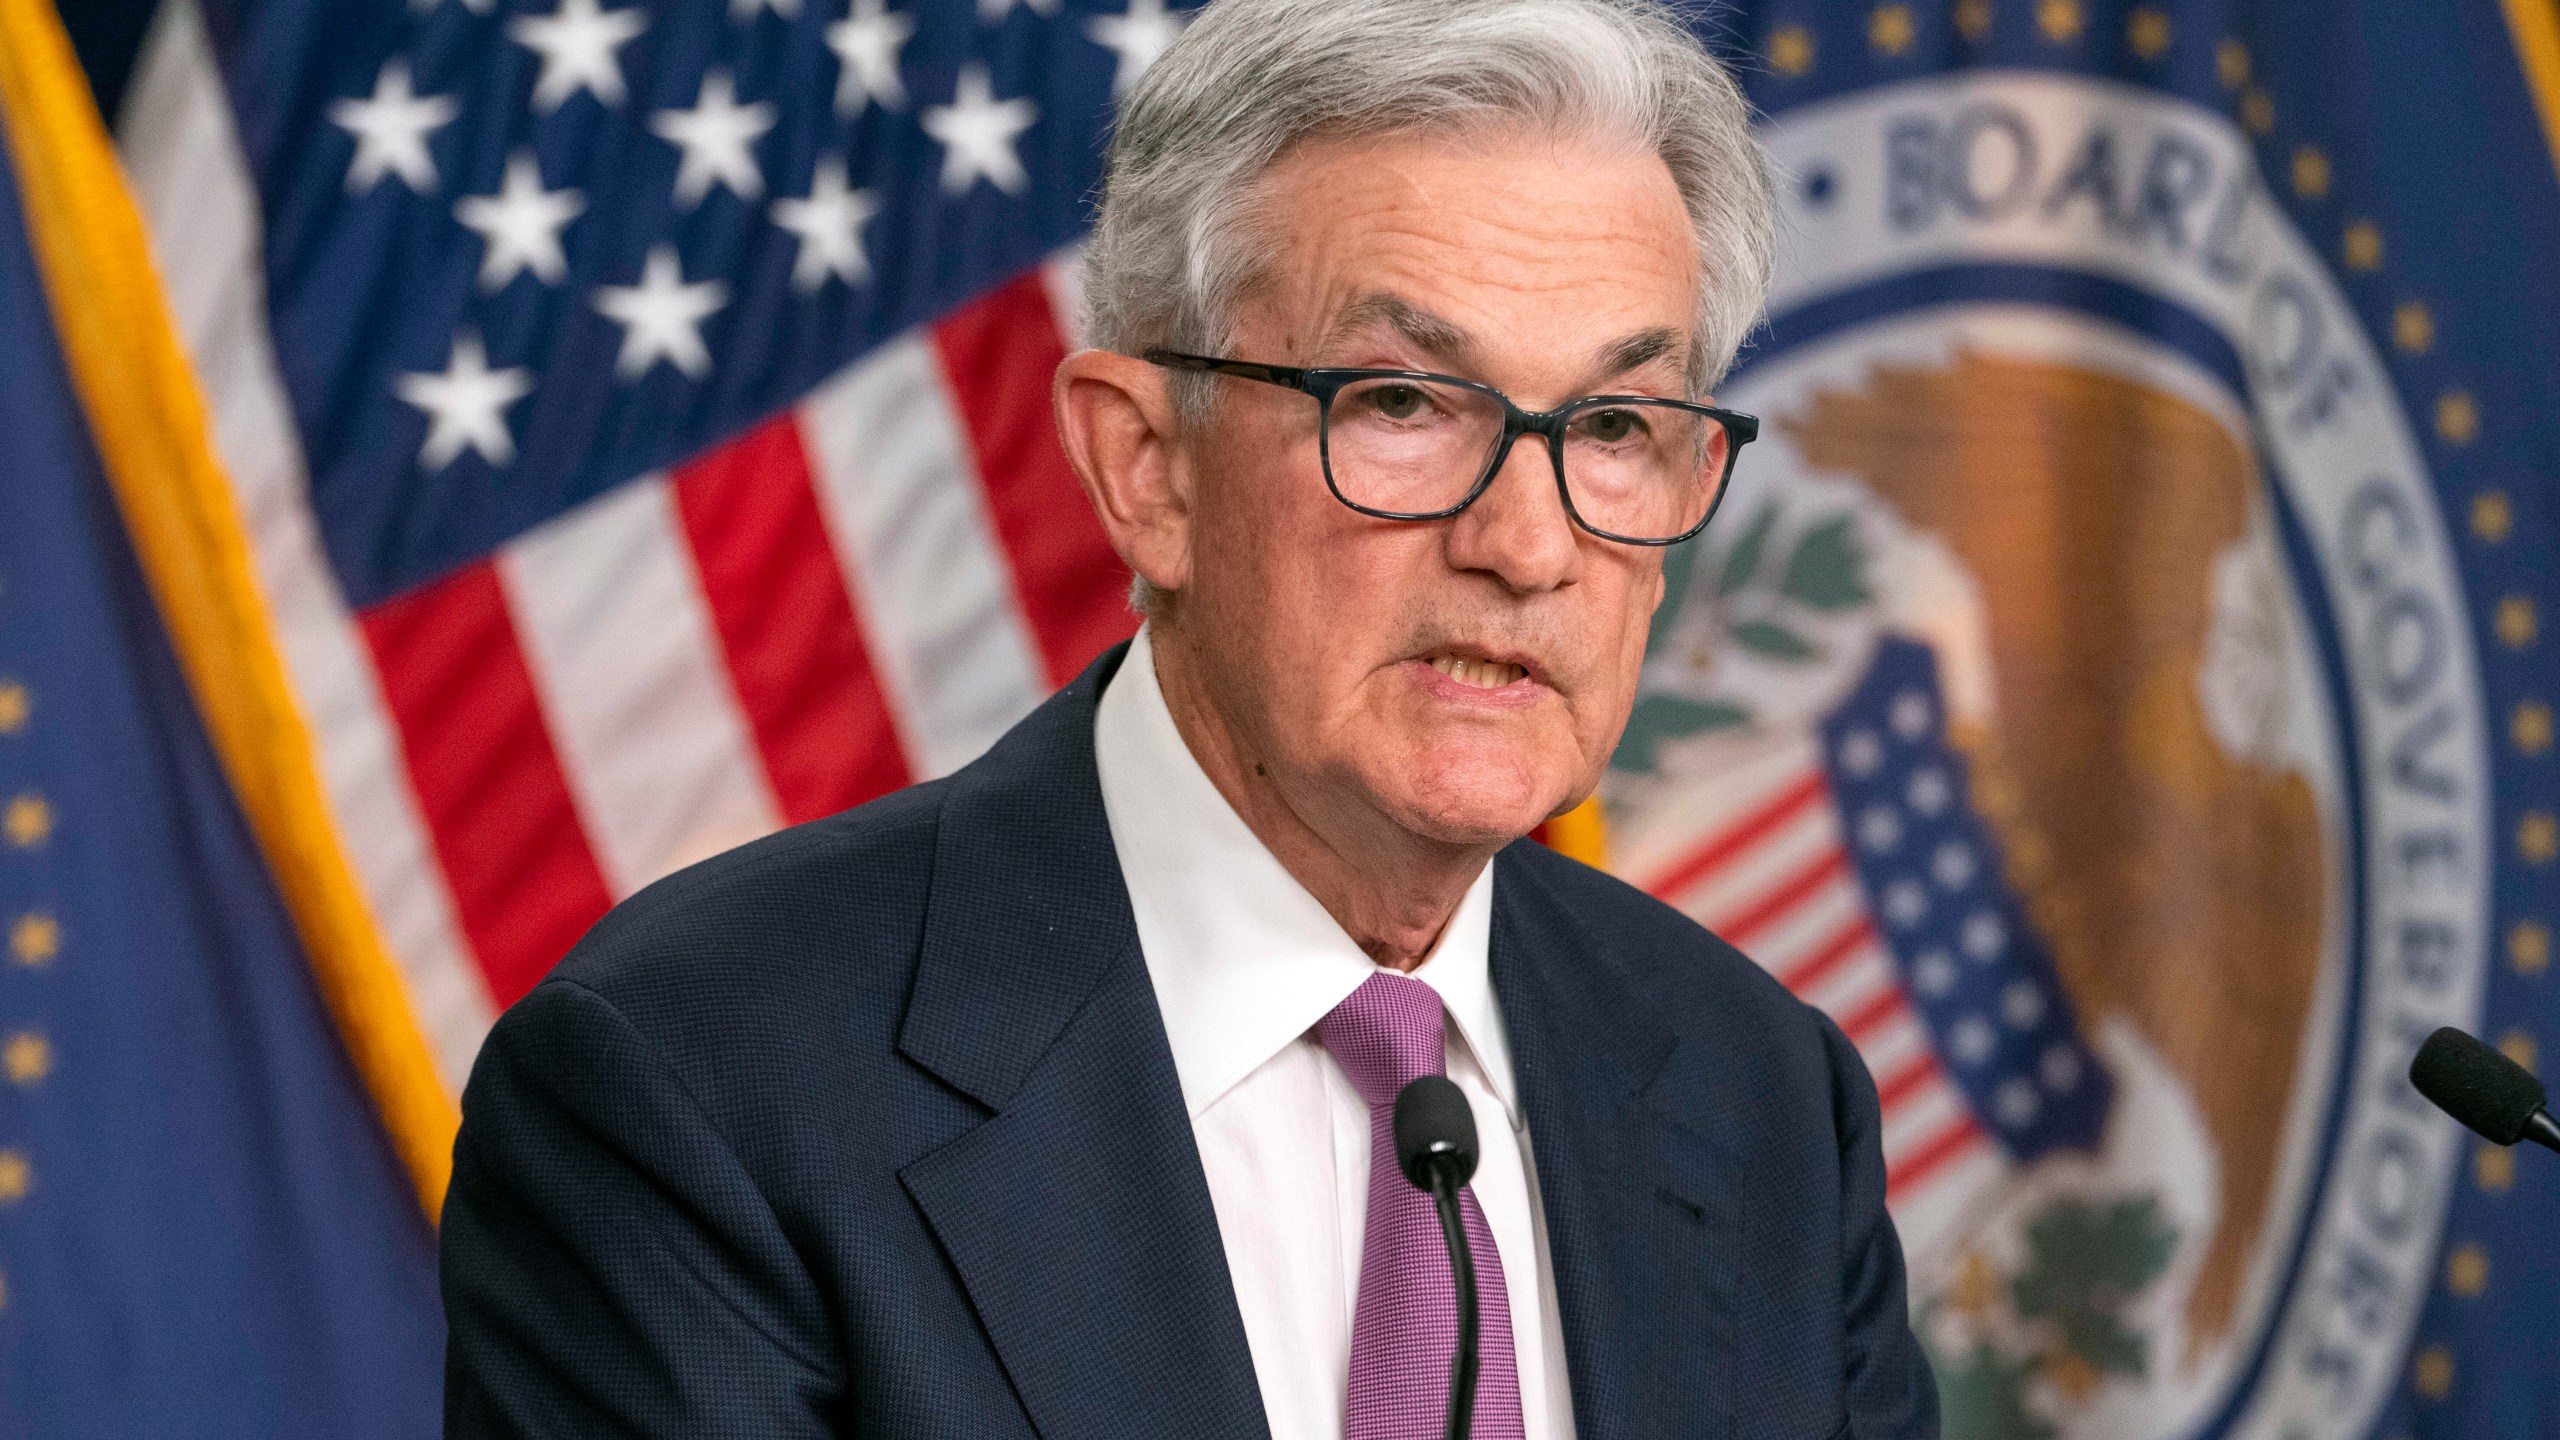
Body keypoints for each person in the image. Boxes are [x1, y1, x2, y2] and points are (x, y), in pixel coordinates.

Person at [438, 0, 1940, 1435]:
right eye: (1405, 406)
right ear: (1147, 466)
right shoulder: (700, 1088)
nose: (1531, 547)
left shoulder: (1762, 1097)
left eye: (1615, 429)